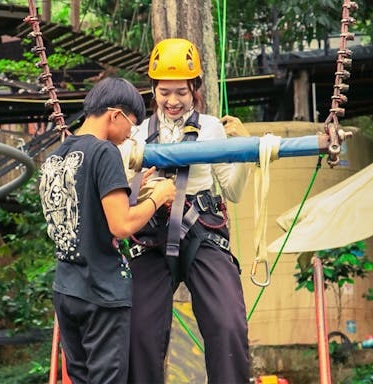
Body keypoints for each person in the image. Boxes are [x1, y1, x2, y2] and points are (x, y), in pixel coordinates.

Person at [120, 38, 252, 383]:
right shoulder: (136, 134)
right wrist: (141, 185)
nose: (173, 101)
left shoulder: (210, 128)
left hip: (201, 231)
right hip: (150, 234)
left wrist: (244, 149)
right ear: (153, 90)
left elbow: (234, 191)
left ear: (195, 89)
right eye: (165, 92)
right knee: (138, 332)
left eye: (181, 91)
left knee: (228, 323)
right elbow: (119, 192)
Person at [39, 77, 176, 384]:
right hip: (101, 293)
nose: (130, 136)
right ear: (115, 114)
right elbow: (122, 225)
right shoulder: (105, 152)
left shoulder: (54, 158)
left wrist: (135, 188)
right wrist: (159, 196)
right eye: (131, 125)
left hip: (66, 290)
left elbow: (85, 212)